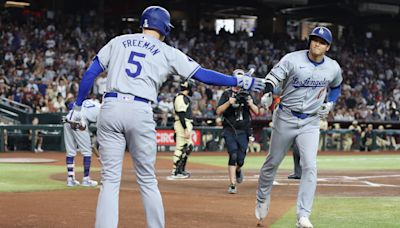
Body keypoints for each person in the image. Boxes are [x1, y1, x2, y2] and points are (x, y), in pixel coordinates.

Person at [66, 6, 265, 228]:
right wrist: (237, 81)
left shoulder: (119, 40)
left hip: (110, 106)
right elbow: (203, 75)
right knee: (147, 181)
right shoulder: (167, 51)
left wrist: (78, 106)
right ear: (165, 29)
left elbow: (91, 73)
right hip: (139, 109)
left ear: (143, 23)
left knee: (110, 181)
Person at [255, 26, 342, 228]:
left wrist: (330, 103)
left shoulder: (333, 67)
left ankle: (303, 215)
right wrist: (268, 93)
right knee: (272, 162)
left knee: (310, 166)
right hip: (285, 116)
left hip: (310, 122)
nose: (316, 44)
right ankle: (262, 197)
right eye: (314, 39)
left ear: (327, 47)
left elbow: (337, 85)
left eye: (321, 42)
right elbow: (273, 78)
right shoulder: (292, 59)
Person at [216, 69, 260, 194]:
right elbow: (218, 111)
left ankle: (238, 170)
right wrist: (228, 103)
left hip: (244, 130)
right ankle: (232, 184)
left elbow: (257, 112)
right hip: (230, 129)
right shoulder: (226, 94)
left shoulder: (247, 94)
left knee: (241, 159)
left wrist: (251, 103)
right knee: (233, 155)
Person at [64, 98, 101, 187]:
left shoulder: (87, 102)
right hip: (79, 120)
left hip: (68, 118)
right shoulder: (103, 109)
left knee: (70, 151)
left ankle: (70, 179)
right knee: (87, 152)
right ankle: (86, 179)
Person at [171, 81, 194, 179]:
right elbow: (181, 114)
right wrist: (185, 128)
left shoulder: (182, 97)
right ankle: (176, 171)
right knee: (181, 146)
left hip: (184, 123)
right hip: (182, 124)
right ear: (188, 88)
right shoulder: (180, 98)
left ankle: (181, 169)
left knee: (188, 146)